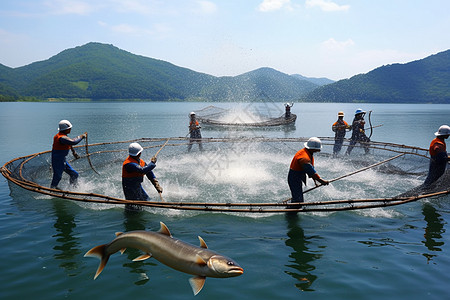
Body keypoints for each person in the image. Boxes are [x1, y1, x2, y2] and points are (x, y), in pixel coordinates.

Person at [288, 137, 329, 208]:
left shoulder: (307, 152)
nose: (319, 151)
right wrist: (321, 181)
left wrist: (315, 181)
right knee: (298, 202)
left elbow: (311, 170)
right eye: (317, 149)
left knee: (297, 197)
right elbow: (312, 172)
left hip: (298, 175)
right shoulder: (304, 158)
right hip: (294, 177)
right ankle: (290, 212)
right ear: (312, 148)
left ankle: (293, 203)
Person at [122, 142, 163, 210]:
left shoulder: (140, 161)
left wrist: (156, 185)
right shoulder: (128, 164)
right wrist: (152, 163)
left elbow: (148, 172)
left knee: (146, 201)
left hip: (137, 186)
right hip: (129, 188)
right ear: (139, 153)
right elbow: (143, 170)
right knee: (133, 207)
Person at [51, 120, 86, 189]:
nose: (70, 129)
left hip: (62, 160)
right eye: (69, 128)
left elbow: (69, 143)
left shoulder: (64, 136)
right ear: (66, 129)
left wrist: (74, 152)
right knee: (57, 176)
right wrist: (81, 136)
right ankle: (52, 190)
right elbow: (73, 142)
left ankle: (73, 188)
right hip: (57, 160)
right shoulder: (61, 137)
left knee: (74, 174)